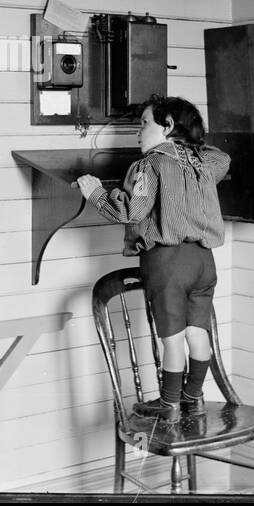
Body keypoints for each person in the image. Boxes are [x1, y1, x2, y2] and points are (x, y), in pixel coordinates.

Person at [76, 96, 230, 422]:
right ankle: (195, 397)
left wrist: (96, 195)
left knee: (172, 338)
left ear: (169, 126)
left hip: (168, 264)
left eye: (144, 123)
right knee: (197, 333)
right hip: (204, 262)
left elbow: (132, 210)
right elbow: (223, 159)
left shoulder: (149, 165)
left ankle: (170, 404)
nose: (138, 131)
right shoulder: (202, 162)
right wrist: (189, 145)